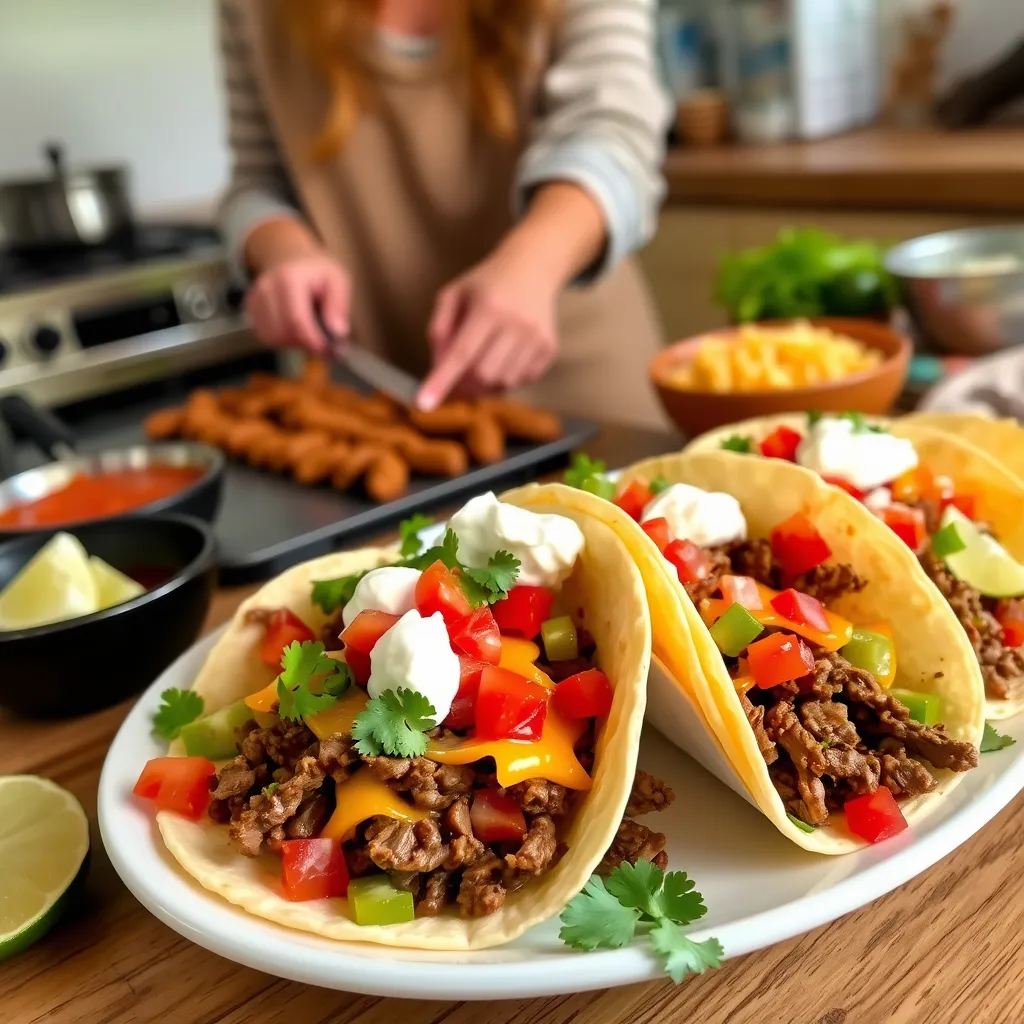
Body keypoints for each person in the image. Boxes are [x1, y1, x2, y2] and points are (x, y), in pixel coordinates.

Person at [219, 0, 671, 427]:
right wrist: (284, 250)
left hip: (591, 397)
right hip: (396, 402)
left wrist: (532, 265)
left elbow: (617, 134)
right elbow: (257, 180)